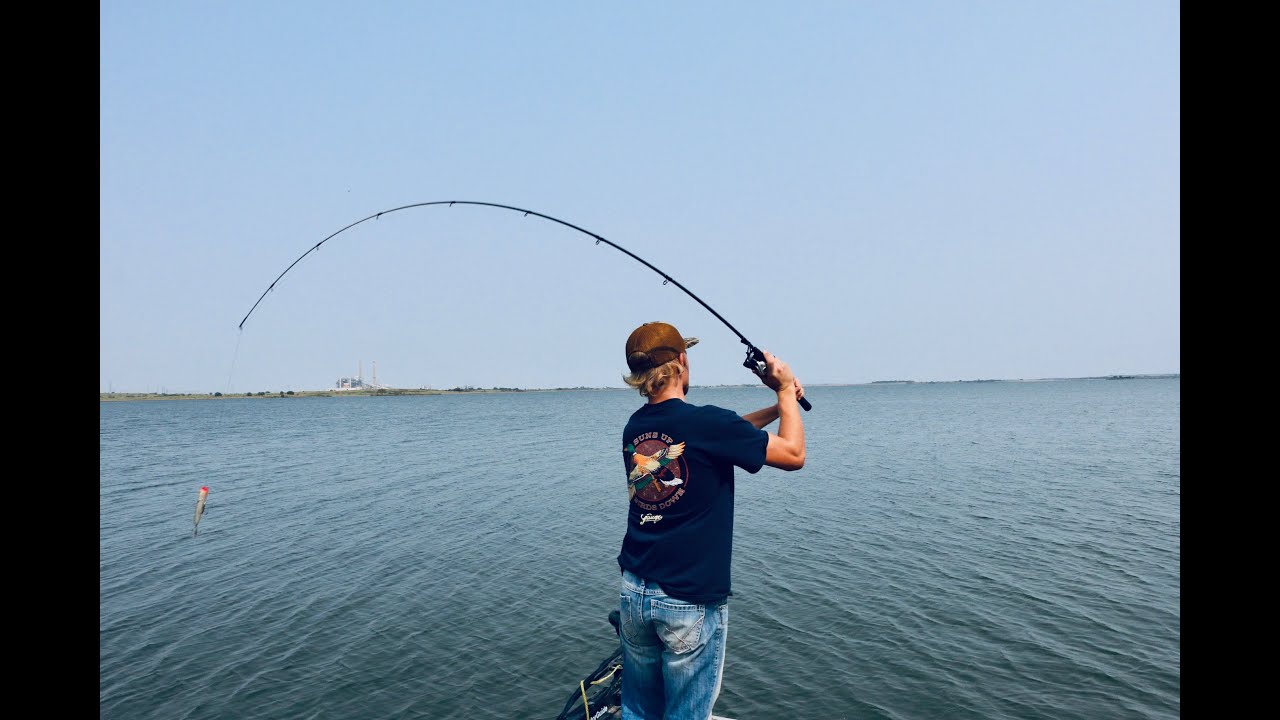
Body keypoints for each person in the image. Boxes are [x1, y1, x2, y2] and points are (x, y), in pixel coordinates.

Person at [616, 321, 806, 720]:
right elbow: (792, 455)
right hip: (687, 599)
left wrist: (776, 408)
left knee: (638, 710)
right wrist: (785, 390)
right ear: (682, 362)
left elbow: (723, 435)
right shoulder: (704, 425)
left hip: (635, 590)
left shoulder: (636, 428)